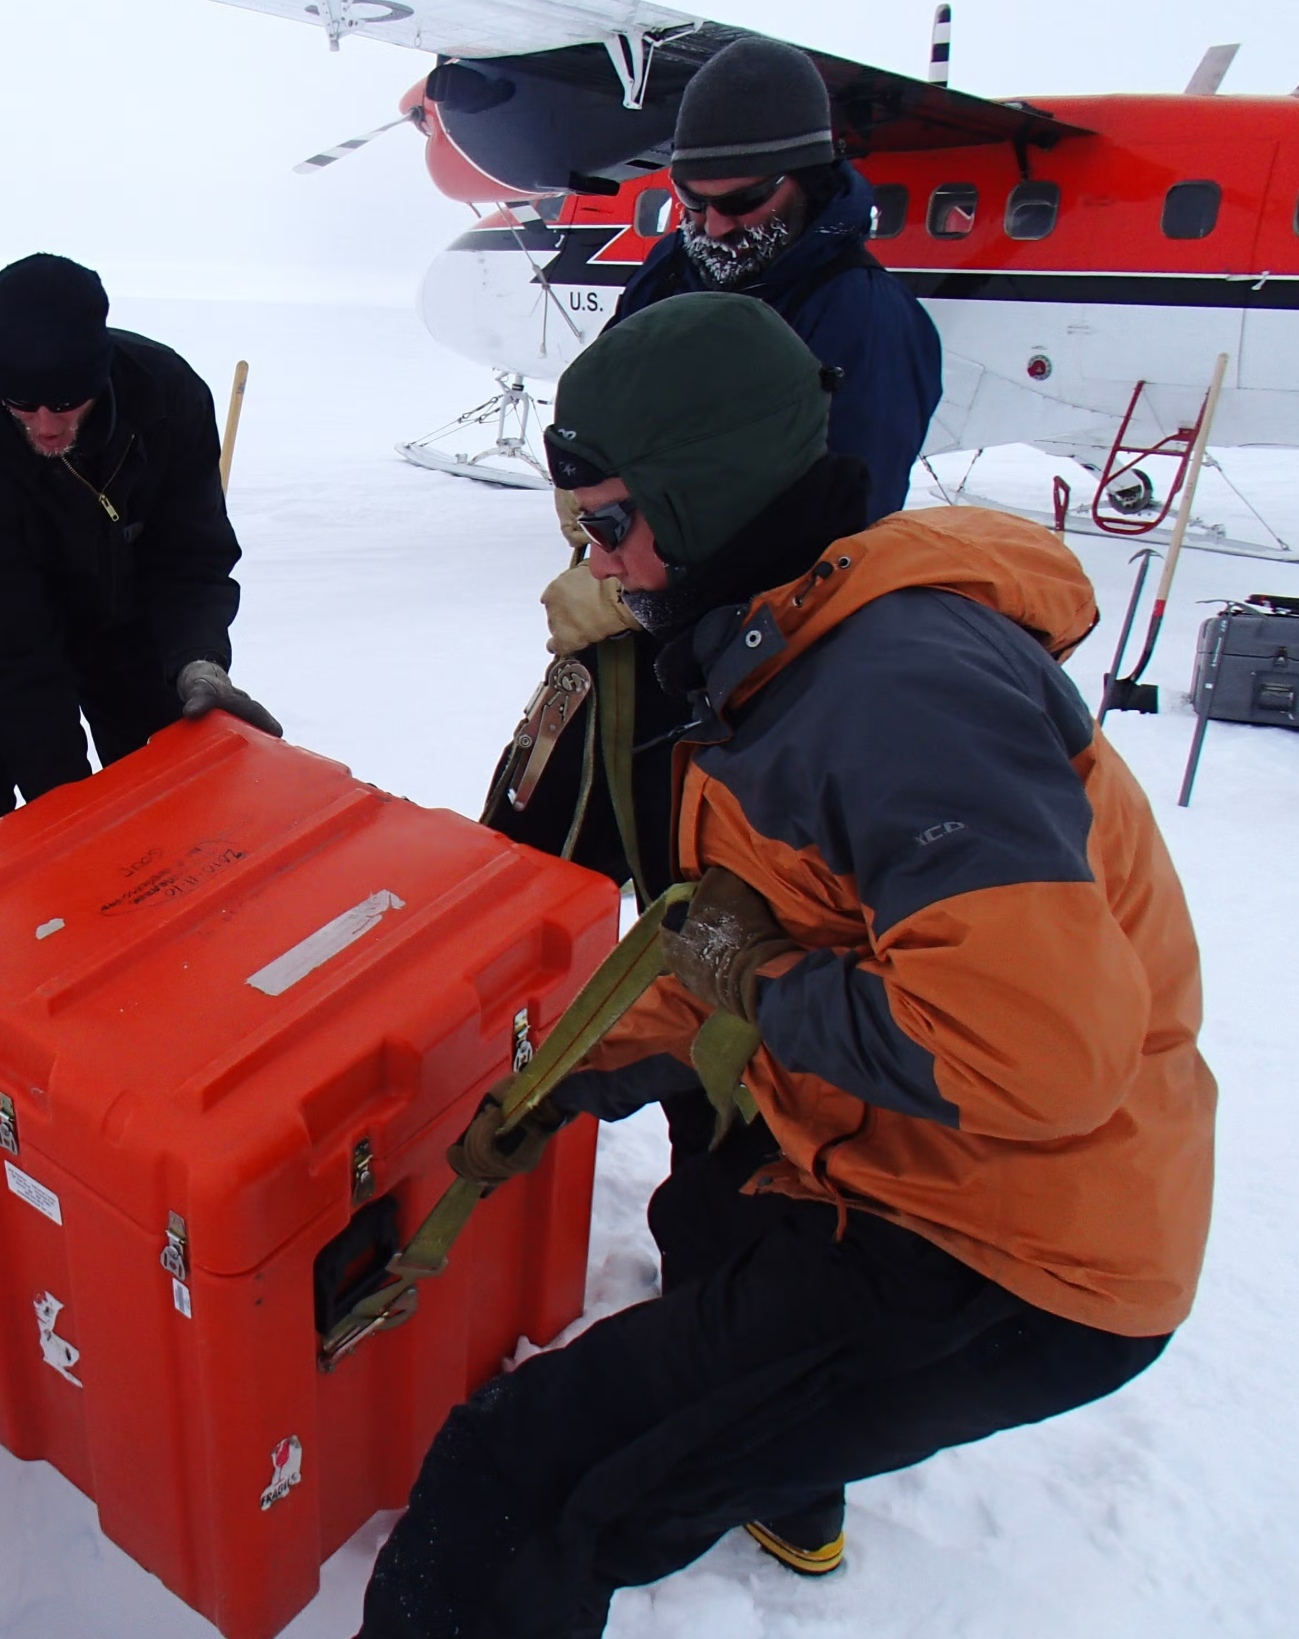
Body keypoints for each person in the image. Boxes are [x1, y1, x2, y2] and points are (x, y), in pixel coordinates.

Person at [365, 293, 1215, 1637]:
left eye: (609, 527)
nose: (604, 566)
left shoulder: (900, 696)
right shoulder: (786, 643)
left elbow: (1034, 1057)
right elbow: (746, 925)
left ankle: (707, 1466)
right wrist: (575, 1075)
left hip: (1005, 1247)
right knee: (709, 1224)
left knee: (529, 1471)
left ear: (697, 501)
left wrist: (760, 992)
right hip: (906, 1166)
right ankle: (770, 1466)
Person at [497, 33, 943, 900]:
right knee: (529, 847)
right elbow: (612, 403)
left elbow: (831, 528)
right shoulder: (680, 267)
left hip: (750, 670)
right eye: (690, 204)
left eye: (737, 205)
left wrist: (632, 594)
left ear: (807, 180)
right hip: (635, 623)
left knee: (700, 901)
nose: (711, 229)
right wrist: (591, 507)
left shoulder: (864, 323)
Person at [0, 254, 277, 874]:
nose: (45, 426)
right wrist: (67, 797)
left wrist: (197, 658)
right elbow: (0, 641)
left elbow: (191, 555)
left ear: (99, 376)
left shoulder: (167, 396)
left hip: (129, 628)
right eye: (20, 402)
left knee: (178, 823)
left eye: (66, 401)